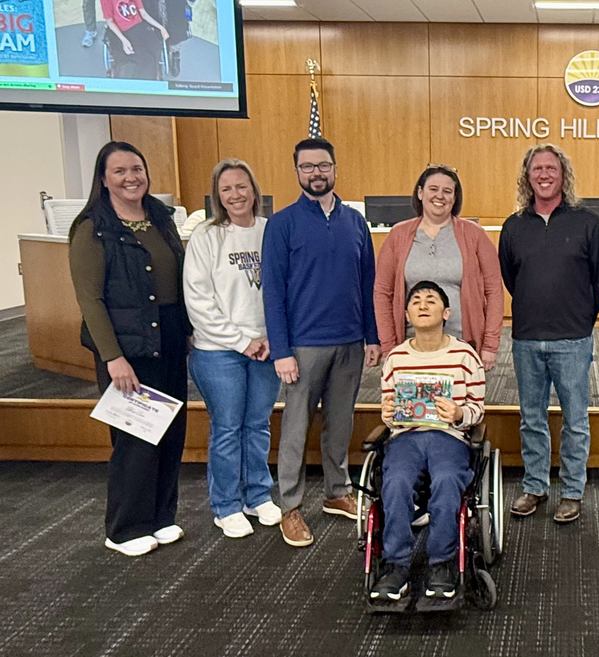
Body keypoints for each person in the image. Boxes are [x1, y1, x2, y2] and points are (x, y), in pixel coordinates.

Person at [68, 141, 189, 557]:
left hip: (170, 337)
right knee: (135, 437)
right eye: (119, 171)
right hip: (126, 345)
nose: (131, 177)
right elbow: (90, 299)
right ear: (104, 179)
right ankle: (124, 528)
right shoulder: (92, 227)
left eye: (136, 168)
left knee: (171, 431)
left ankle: (160, 517)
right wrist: (112, 357)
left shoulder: (159, 216)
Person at [262, 137, 380, 548]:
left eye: (323, 165)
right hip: (302, 346)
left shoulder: (355, 222)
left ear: (335, 168)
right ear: (297, 172)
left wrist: (372, 336)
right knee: (295, 428)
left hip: (350, 340)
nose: (317, 172)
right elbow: (272, 292)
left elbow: (368, 284)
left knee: (340, 422)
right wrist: (281, 350)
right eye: (308, 166)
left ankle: (336, 491)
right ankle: (290, 506)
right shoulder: (282, 224)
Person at [499, 144, 599, 524]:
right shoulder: (514, 225)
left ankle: (571, 491)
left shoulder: (588, 223)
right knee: (531, 418)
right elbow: (511, 277)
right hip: (527, 338)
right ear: (527, 177)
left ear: (563, 175)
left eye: (551, 168)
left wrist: (581, 314)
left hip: (572, 340)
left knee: (575, 420)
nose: (544, 175)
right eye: (537, 169)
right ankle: (534, 486)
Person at [183, 159, 282, 539]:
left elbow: (283, 290)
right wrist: (243, 341)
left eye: (242, 186)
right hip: (218, 351)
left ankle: (257, 495)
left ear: (254, 191)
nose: (236, 194)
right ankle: (226, 505)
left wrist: (272, 338)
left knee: (257, 425)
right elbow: (199, 301)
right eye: (227, 189)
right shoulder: (207, 237)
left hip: (266, 348)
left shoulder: (270, 231)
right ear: (217, 195)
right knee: (227, 428)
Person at [371, 281, 485, 601]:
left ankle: (442, 563)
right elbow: (389, 412)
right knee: (395, 481)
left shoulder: (465, 356)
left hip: (449, 436)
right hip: (407, 436)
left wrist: (460, 411)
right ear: (407, 313)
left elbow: (477, 409)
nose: (422, 304)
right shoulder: (396, 358)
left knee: (448, 480)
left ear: (446, 312)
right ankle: (396, 565)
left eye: (431, 300)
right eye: (416, 300)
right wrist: (389, 413)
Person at [374, 164, 502, 370]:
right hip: (410, 348)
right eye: (433, 189)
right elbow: (382, 293)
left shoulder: (474, 235)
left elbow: (494, 291)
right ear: (420, 192)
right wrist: (389, 346)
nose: (440, 196)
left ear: (455, 197)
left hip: (463, 347)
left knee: (461, 402)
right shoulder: (398, 235)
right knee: (412, 403)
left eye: (447, 191)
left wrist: (490, 344)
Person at [100, 0, 169, 80]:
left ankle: (153, 75)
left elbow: (143, 13)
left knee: (154, 47)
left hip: (139, 27)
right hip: (121, 32)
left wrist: (161, 28)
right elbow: (110, 22)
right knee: (136, 59)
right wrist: (124, 40)